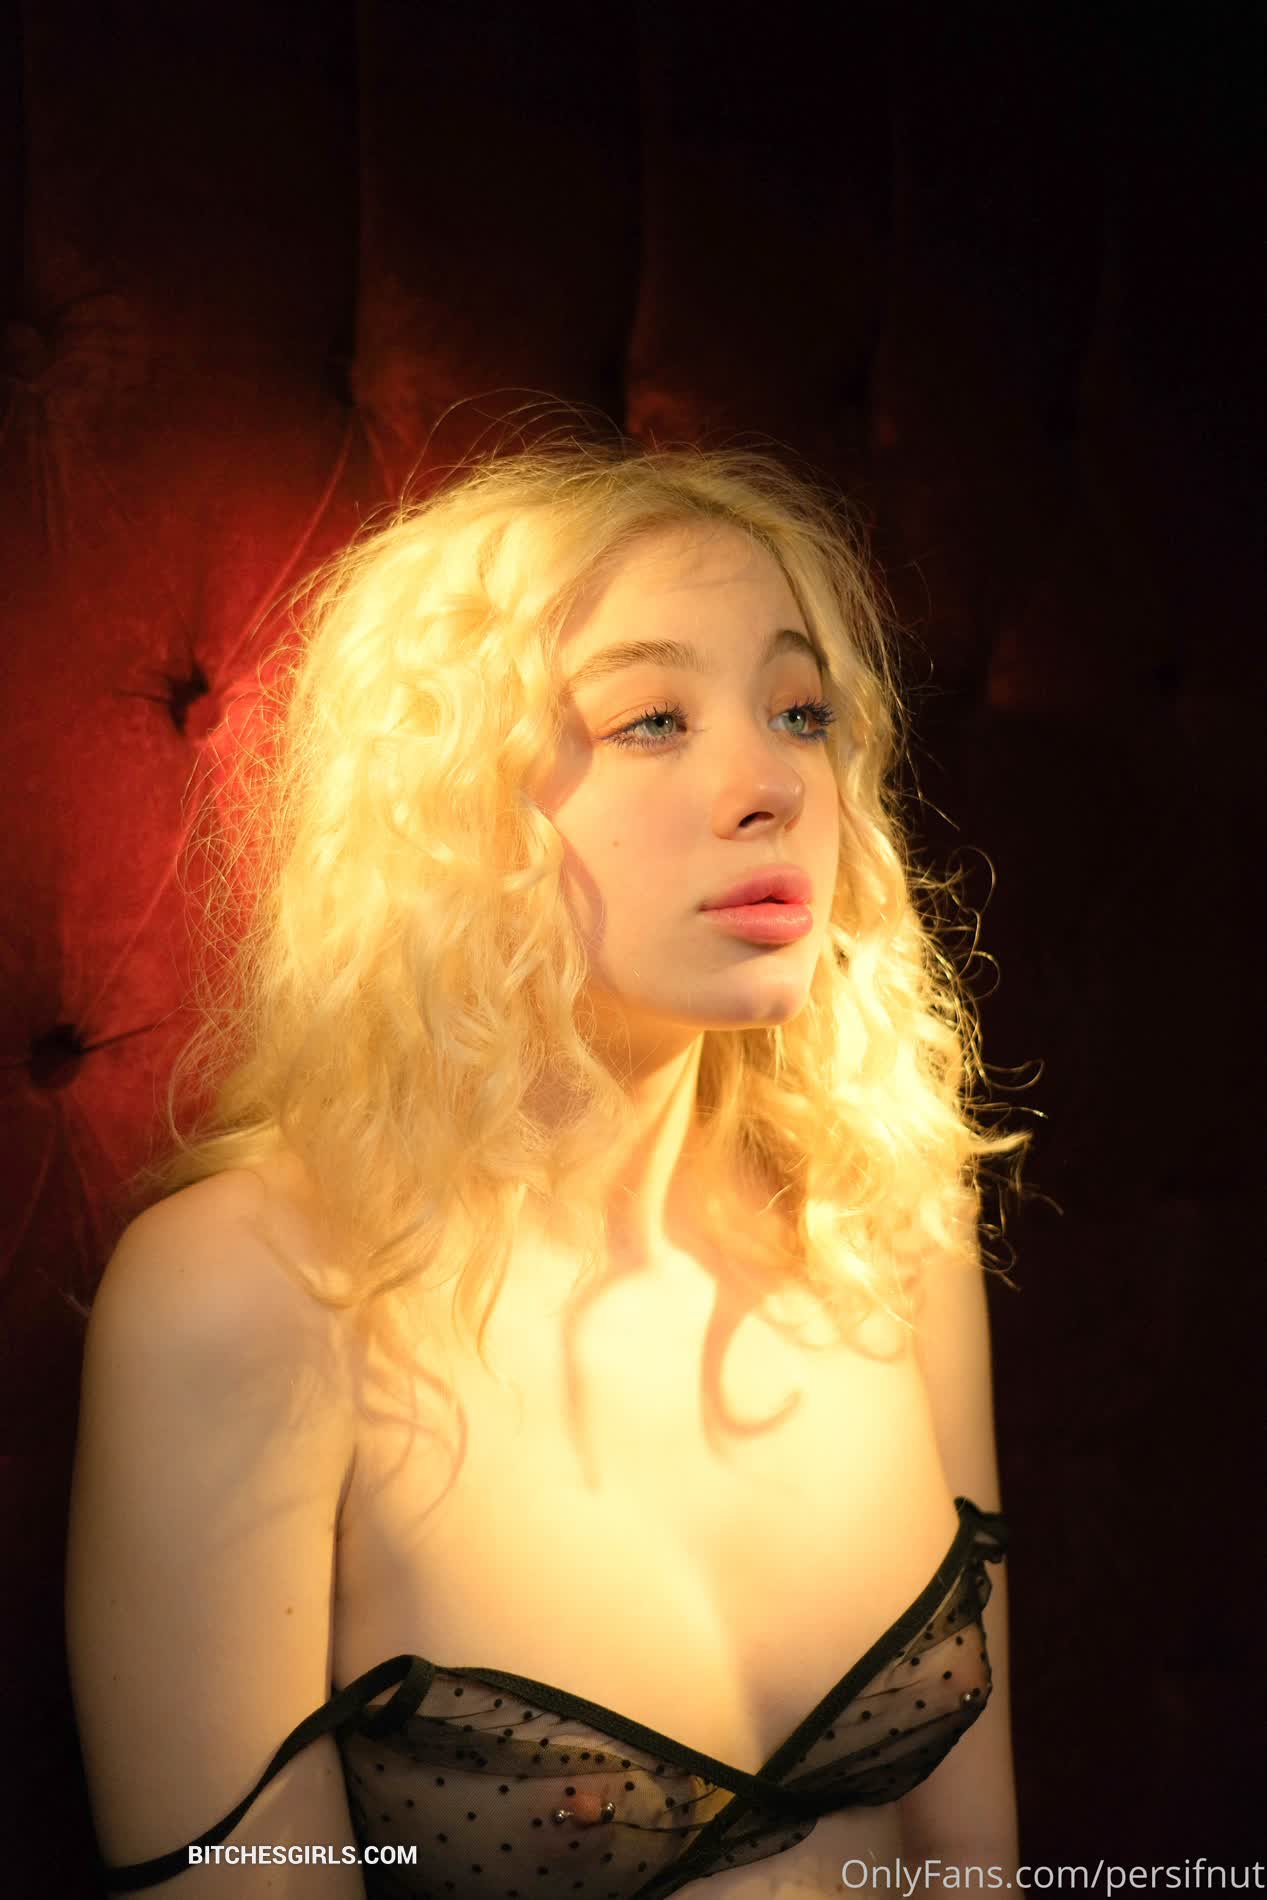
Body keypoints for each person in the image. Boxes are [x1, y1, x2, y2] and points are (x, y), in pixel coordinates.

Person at [66, 435, 1031, 1898]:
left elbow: (973, 1868)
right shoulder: (247, 1296)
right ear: (454, 809)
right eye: (651, 720)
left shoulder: (881, 1213)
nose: (773, 782)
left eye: (801, 711)